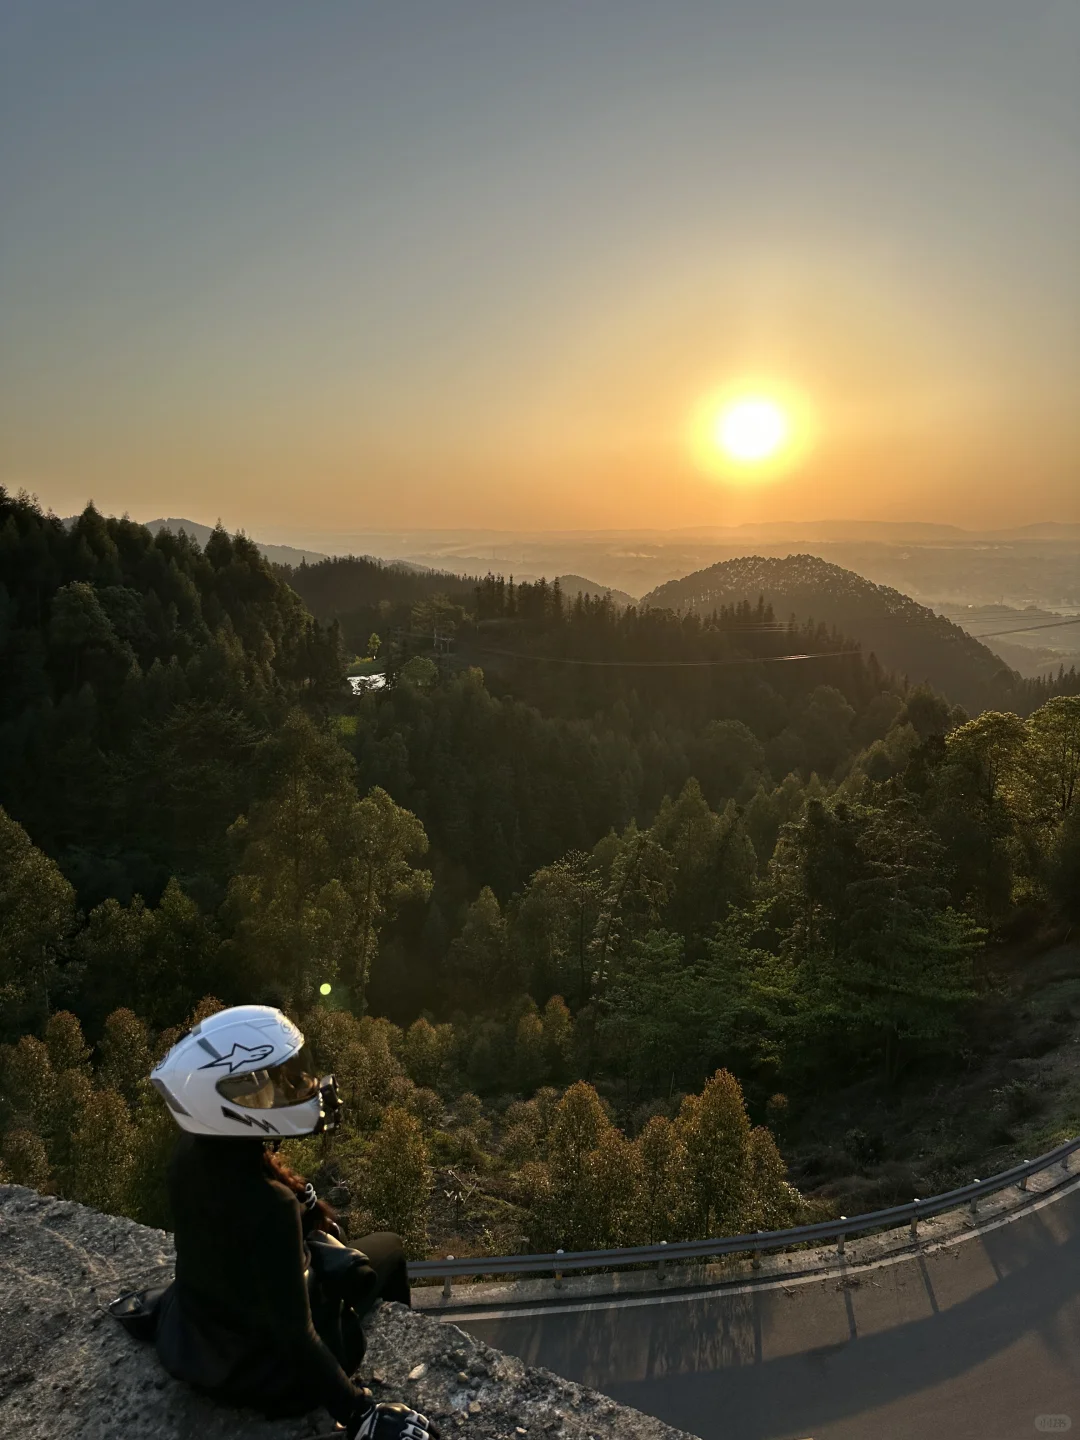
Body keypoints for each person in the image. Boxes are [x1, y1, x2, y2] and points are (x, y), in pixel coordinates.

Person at [149, 1003, 439, 1440]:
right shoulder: (270, 1203)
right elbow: (295, 1335)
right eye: (270, 1082)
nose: (294, 1087)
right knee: (391, 1248)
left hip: (201, 1340)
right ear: (227, 1101)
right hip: (266, 1376)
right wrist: (362, 1413)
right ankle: (398, 1350)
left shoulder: (188, 1155)